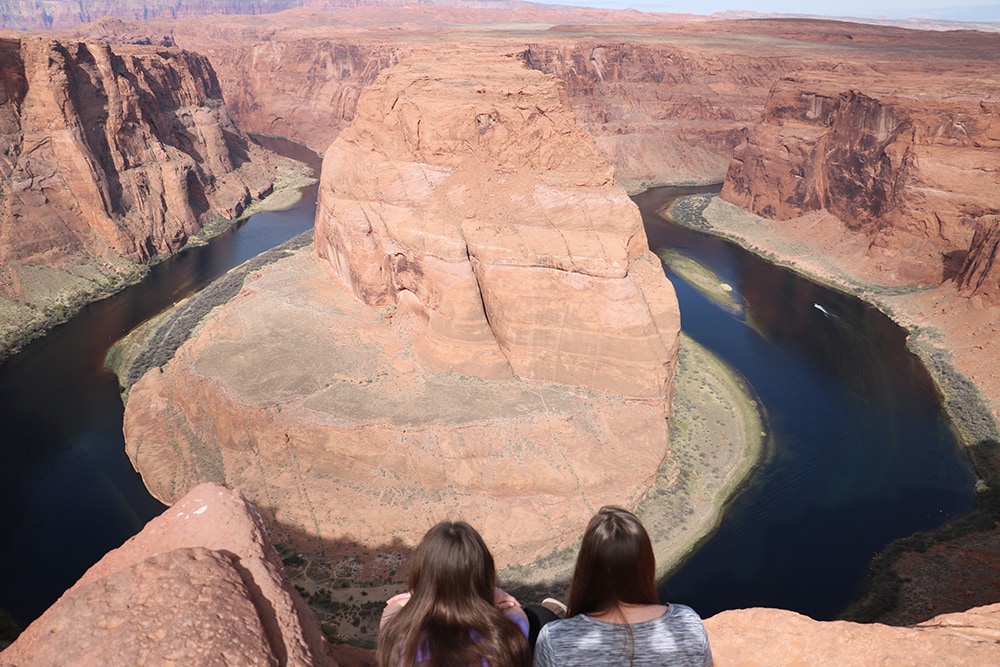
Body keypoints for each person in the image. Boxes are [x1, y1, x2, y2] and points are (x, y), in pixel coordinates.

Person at [532, 506, 713, 667]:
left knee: (537, 614)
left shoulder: (555, 639)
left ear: (586, 569)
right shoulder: (687, 623)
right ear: (646, 565)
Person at [376, 520, 532, 667]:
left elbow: (389, 612)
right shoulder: (504, 637)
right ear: (485, 574)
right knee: (538, 614)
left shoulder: (399, 640)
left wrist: (419, 596)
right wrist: (491, 594)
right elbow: (516, 611)